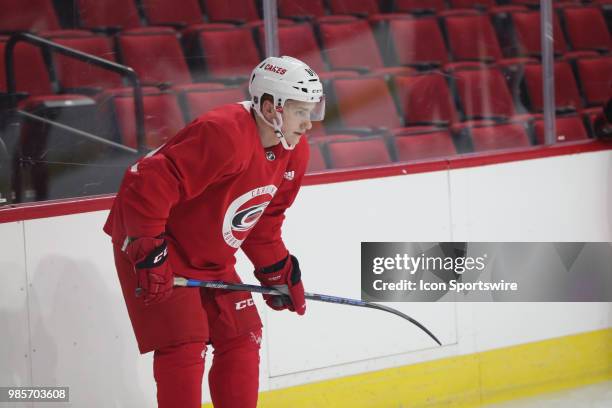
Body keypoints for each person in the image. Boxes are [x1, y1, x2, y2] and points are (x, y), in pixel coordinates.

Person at [103, 55, 325, 407]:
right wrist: (148, 251)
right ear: (270, 107)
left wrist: (277, 269)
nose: (309, 123)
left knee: (242, 335)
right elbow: (145, 182)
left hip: (209, 254)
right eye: (301, 111)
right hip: (156, 241)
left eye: (312, 111)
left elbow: (261, 220)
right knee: (184, 342)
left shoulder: (294, 152)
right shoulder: (225, 133)